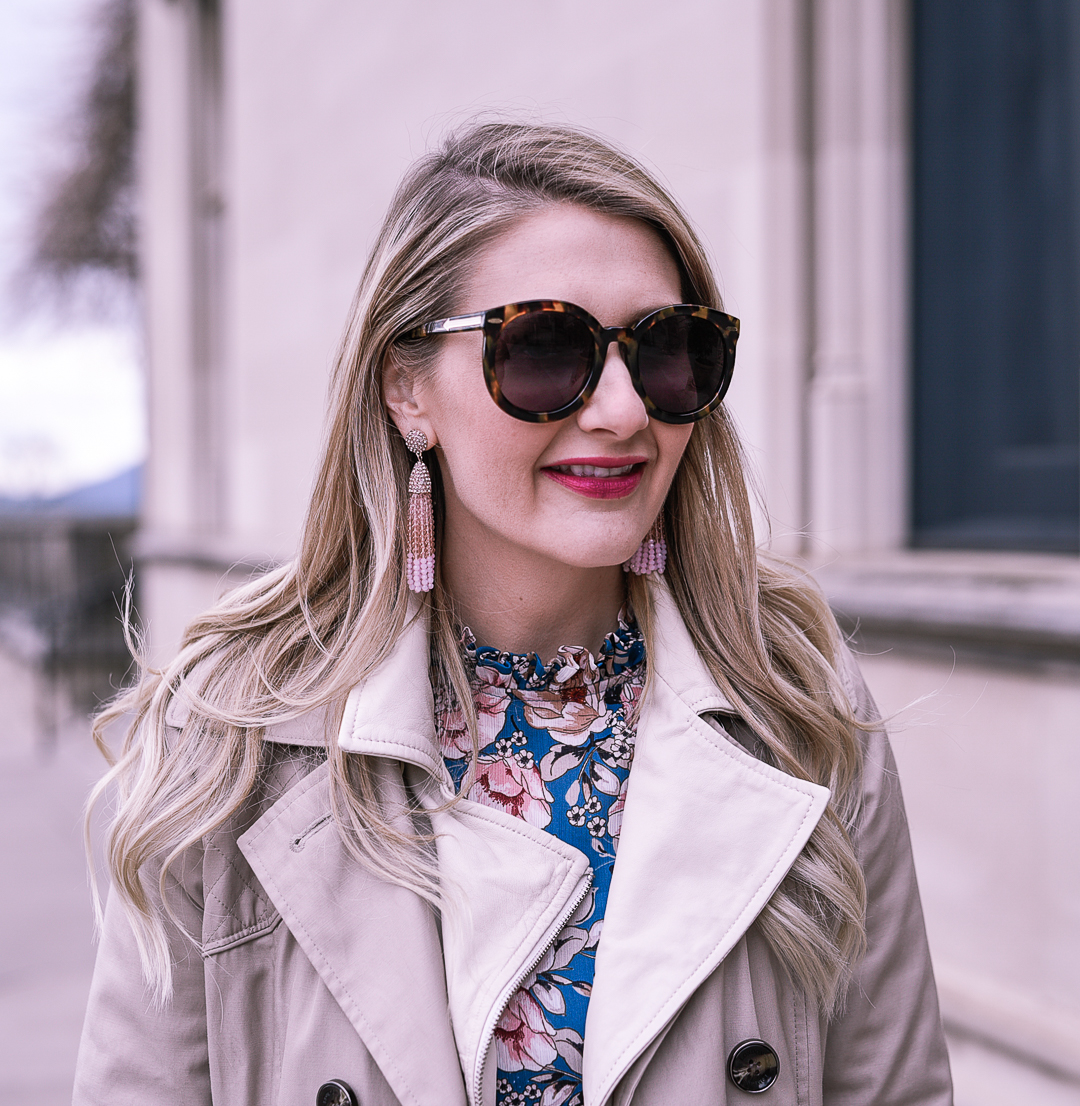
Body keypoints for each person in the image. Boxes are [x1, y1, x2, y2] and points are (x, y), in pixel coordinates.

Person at [73, 121, 953, 1106]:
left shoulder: (796, 704)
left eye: (668, 350)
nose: (624, 410)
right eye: (544, 348)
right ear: (407, 389)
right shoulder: (234, 732)